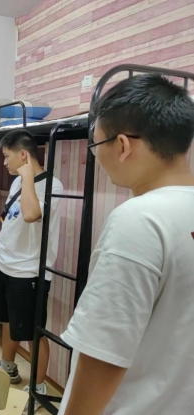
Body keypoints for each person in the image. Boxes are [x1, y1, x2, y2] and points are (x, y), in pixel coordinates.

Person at [58, 74, 194, 415]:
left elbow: (104, 353)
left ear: (122, 146)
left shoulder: (139, 220)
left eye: (96, 146)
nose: (96, 158)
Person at [0, 129, 63, 413]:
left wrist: (28, 176)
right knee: (8, 320)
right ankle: (8, 366)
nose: (5, 162)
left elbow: (31, 215)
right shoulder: (18, 180)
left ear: (23, 155)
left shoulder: (52, 185)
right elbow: (11, 217)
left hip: (29, 272)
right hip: (5, 264)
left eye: (7, 156)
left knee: (33, 332)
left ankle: (38, 387)